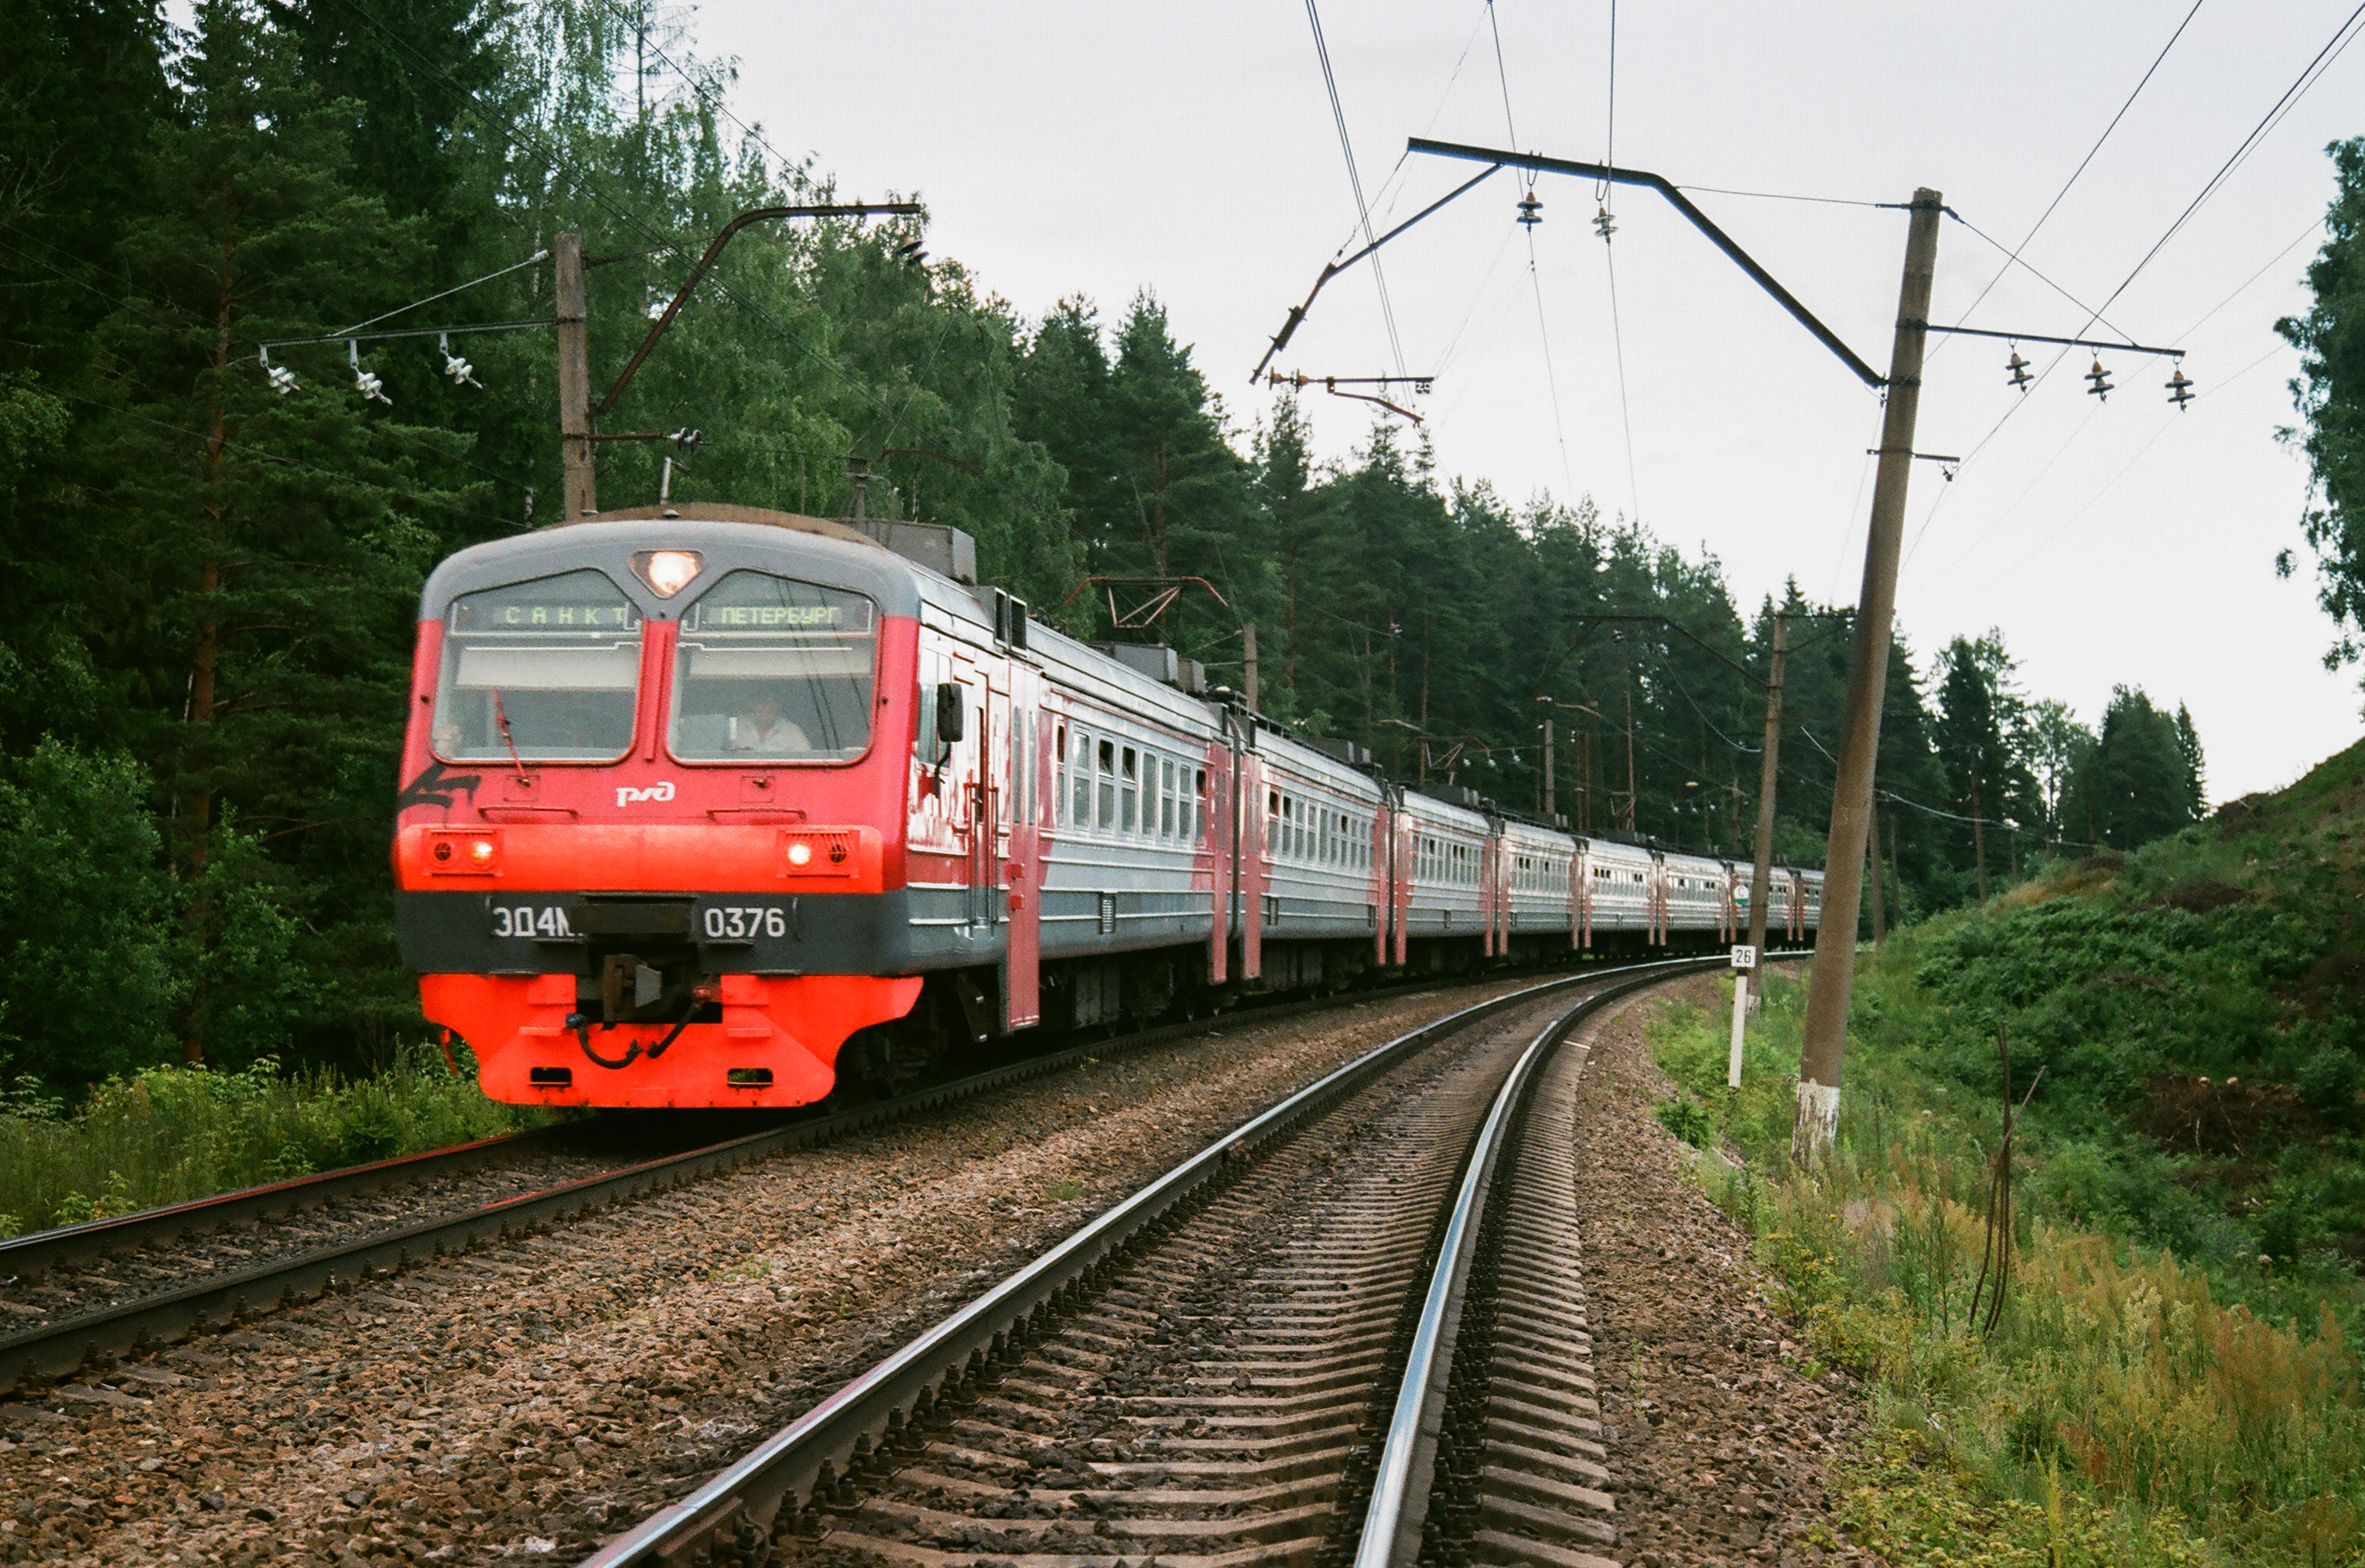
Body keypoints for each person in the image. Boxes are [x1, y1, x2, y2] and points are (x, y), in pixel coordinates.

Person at [733, 691, 811, 755]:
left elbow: (805, 757)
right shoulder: (736, 727)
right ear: (753, 709)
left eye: (769, 711)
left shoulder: (792, 732)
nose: (764, 715)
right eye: (761, 711)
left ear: (777, 711)